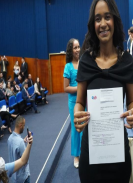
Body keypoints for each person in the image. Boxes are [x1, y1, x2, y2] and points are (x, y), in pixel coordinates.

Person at [74, 0, 133, 183]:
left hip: (118, 152)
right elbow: (78, 102)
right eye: (98, 18)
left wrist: (132, 113)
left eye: (107, 17)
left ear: (114, 20)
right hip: (91, 153)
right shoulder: (85, 61)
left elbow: (132, 101)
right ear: (93, 25)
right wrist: (77, 116)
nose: (102, 24)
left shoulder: (126, 61)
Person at [63, 38, 81, 168]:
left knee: (86, 127)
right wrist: (80, 88)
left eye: (78, 47)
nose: (78, 50)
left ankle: (85, 152)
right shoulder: (68, 66)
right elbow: (66, 88)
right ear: (71, 50)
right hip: (73, 101)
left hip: (85, 100)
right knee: (76, 128)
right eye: (75, 48)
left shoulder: (83, 62)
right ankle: (76, 156)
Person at [8, 116, 33, 183]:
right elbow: (25, 160)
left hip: (14, 177)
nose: (24, 128)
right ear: (20, 125)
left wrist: (23, 140)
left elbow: (16, 146)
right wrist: (29, 144)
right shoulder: (20, 142)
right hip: (23, 178)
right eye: (24, 125)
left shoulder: (10, 138)